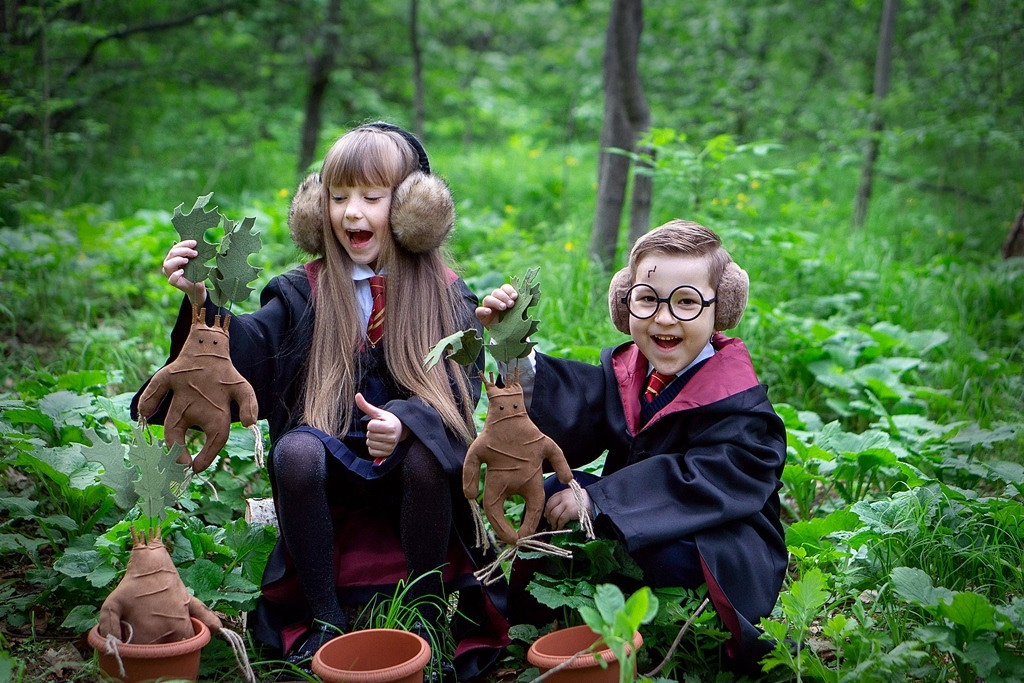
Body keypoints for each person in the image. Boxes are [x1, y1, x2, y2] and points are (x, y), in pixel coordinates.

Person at [132, 121, 509, 678]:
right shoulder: (302, 290)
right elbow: (250, 354)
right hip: (329, 456)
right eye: (337, 197)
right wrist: (203, 305)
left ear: (412, 209)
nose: (351, 213)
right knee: (296, 453)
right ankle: (325, 616)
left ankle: (428, 608)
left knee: (431, 454)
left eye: (371, 198)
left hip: (412, 468)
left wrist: (407, 423)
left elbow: (460, 390)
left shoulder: (446, 296)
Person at [476, 219, 787, 669]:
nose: (664, 318)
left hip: (713, 546)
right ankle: (535, 628)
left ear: (722, 308)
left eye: (686, 302)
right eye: (648, 299)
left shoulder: (741, 406)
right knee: (552, 493)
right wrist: (515, 347)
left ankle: (668, 635)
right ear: (625, 303)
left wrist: (599, 499)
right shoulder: (630, 373)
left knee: (648, 543)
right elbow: (577, 407)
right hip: (631, 519)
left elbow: (701, 481)